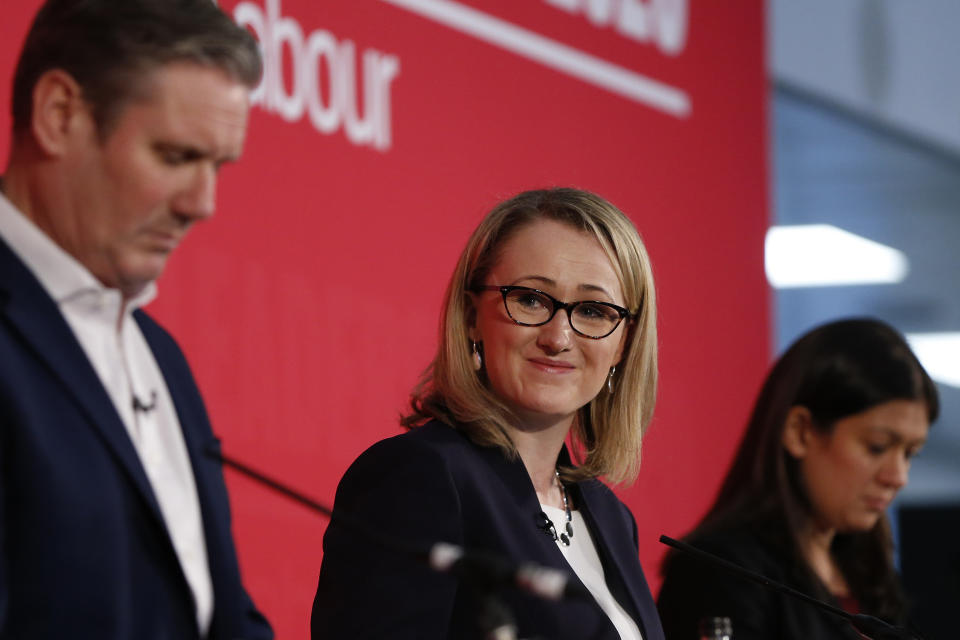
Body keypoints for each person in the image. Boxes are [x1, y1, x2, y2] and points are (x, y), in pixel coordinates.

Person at [0, 0, 272, 638]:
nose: (202, 204)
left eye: (218, 166)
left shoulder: (160, 357)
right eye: (176, 156)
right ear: (59, 115)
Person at [311, 187, 665, 639]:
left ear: (623, 343)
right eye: (531, 300)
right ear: (471, 314)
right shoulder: (420, 477)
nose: (558, 337)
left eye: (594, 311)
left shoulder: (610, 515)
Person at [657, 318, 938, 640]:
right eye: (877, 447)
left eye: (910, 454)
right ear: (800, 431)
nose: (898, 477)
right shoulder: (720, 572)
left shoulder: (871, 574)